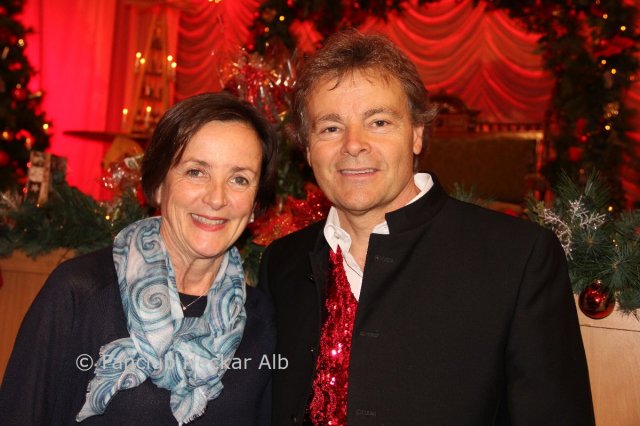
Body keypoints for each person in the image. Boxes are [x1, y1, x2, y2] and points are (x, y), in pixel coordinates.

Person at [258, 29, 595, 425]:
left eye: (378, 122)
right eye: (330, 127)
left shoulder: (518, 259)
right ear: (307, 147)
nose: (353, 144)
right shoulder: (282, 264)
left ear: (417, 134)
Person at [0, 92, 278, 425]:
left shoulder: (260, 320)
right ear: (158, 185)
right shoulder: (79, 294)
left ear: (255, 205)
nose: (217, 198)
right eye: (196, 172)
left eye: (239, 179)